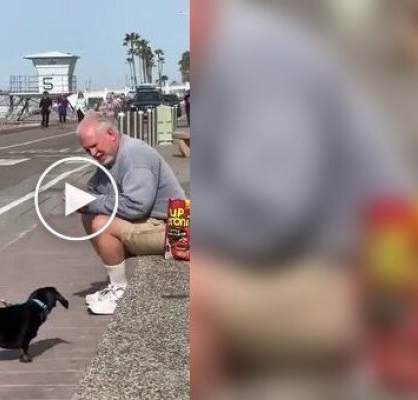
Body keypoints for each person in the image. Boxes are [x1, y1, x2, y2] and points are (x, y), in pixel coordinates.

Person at [190, 1, 413, 398]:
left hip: (364, 281)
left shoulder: (257, 57)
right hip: (374, 264)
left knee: (201, 293)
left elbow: (272, 213)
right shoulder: (259, 49)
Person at [76, 111, 185, 315]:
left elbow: (137, 206)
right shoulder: (110, 158)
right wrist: (80, 200)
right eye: (86, 149)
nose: (92, 153)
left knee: (101, 223)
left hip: (178, 230)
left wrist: (91, 203)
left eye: (94, 145)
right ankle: (114, 282)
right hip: (156, 223)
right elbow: (96, 190)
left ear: (111, 133)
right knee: (90, 214)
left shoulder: (134, 155)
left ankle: (120, 291)